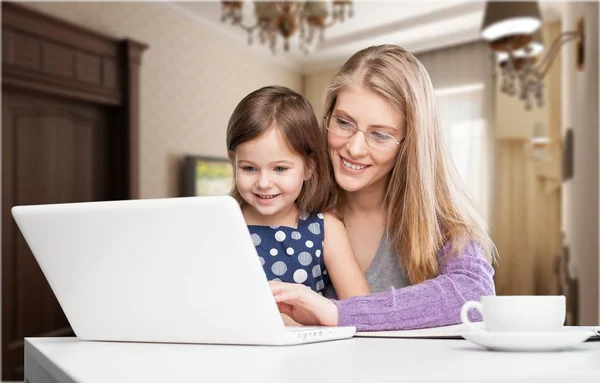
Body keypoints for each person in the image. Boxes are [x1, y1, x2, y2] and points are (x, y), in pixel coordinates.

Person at [269, 45, 497, 331]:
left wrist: (338, 313)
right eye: (343, 122)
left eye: (379, 135)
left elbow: (474, 294)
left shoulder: (441, 221)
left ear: (411, 144)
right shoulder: (291, 202)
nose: (353, 147)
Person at [226, 85, 370, 301]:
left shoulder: (325, 227)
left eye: (280, 169)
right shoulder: (224, 222)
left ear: (309, 167)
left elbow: (361, 306)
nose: (264, 183)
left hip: (305, 334)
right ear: (233, 162)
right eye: (249, 168)